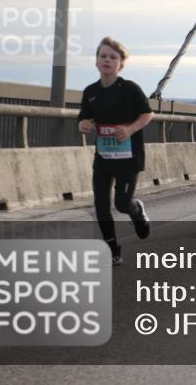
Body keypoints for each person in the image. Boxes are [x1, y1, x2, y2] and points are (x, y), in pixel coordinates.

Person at [78, 37, 153, 265]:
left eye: (113, 57)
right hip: (103, 158)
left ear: (121, 64)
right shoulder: (90, 91)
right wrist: (83, 124)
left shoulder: (130, 89)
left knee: (121, 204)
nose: (107, 60)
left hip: (128, 158)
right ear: (96, 62)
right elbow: (84, 117)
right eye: (103, 56)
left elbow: (148, 114)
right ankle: (113, 250)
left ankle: (136, 211)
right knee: (100, 205)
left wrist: (129, 129)